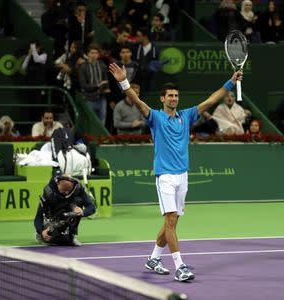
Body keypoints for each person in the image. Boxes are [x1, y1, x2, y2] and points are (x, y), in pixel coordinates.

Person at [109, 62, 243, 282]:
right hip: (165, 177)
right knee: (170, 219)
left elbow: (211, 100)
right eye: (169, 95)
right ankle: (180, 266)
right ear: (162, 99)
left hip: (183, 176)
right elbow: (137, 101)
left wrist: (231, 81)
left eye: (175, 95)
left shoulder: (187, 115)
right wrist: (123, 81)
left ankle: (153, 258)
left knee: (172, 222)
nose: (173, 98)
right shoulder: (155, 117)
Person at [34, 174, 96, 246]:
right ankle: (41, 234)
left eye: (68, 190)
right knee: (52, 239)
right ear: (57, 184)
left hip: (67, 212)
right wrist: (41, 231)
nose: (66, 193)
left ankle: (72, 235)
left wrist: (83, 212)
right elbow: (38, 218)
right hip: (52, 216)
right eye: (64, 190)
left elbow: (92, 207)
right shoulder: (49, 192)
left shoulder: (78, 188)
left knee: (78, 200)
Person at [79, 43, 111, 125]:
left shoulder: (102, 65)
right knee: (90, 122)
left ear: (99, 54)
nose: (94, 55)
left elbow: (106, 80)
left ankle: (100, 138)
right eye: (92, 53)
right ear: (88, 54)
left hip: (101, 98)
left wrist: (106, 88)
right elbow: (84, 85)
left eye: (96, 53)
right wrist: (98, 85)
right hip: (89, 98)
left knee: (102, 122)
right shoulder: (83, 67)